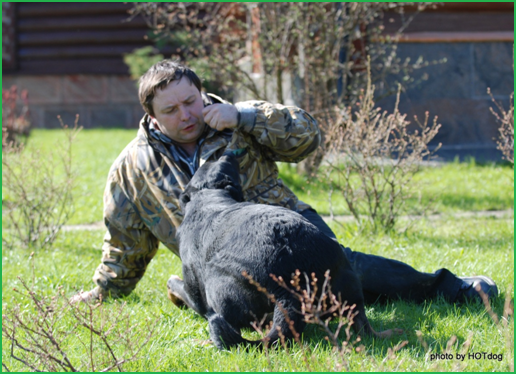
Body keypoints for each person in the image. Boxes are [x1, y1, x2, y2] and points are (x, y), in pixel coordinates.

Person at [71, 60, 498, 305]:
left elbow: (308, 136)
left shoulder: (237, 118)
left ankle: (452, 288)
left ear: (202, 94)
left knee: (344, 274)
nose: (186, 115)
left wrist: (246, 117)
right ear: (151, 114)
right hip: (221, 261)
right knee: (271, 306)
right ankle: (191, 289)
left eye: (191, 101)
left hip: (287, 230)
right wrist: (104, 291)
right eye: (171, 110)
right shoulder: (132, 166)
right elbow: (124, 239)